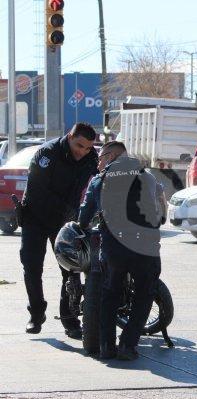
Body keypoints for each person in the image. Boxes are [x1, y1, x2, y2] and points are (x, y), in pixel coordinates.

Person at [78, 141, 165, 360]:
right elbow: (162, 212)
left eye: (100, 158)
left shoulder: (99, 180)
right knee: (145, 294)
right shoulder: (148, 176)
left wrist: (85, 225)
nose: (98, 163)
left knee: (109, 295)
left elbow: (84, 219)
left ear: (111, 156)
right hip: (145, 247)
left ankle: (107, 346)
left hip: (114, 248)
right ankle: (127, 345)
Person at [20, 123, 98, 337]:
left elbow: (101, 181)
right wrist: (70, 211)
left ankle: (69, 319)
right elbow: (36, 192)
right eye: (79, 145)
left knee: (71, 270)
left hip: (66, 222)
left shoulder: (91, 157)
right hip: (35, 217)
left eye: (87, 148)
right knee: (32, 267)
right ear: (70, 136)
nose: (82, 152)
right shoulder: (47, 153)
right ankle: (36, 314)